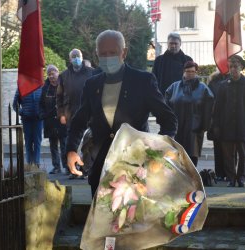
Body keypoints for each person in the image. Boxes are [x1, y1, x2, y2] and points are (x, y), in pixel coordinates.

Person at [66, 30, 178, 196]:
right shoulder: (92, 84)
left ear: (123, 52)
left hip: (135, 169)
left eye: (112, 52)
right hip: (101, 168)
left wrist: (158, 152)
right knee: (101, 218)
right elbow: (78, 121)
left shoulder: (143, 81)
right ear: (97, 54)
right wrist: (71, 150)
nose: (107, 57)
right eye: (102, 53)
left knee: (132, 220)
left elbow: (168, 119)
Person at [212, 55, 245, 187]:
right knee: (228, 155)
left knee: (243, 155)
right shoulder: (223, 86)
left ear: (241, 67)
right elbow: (218, 108)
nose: (233, 69)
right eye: (231, 66)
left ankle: (241, 178)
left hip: (243, 126)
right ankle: (231, 178)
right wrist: (216, 125)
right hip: (227, 126)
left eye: (236, 66)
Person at [165, 61, 214, 166]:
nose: (190, 74)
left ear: (196, 72)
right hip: (177, 127)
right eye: (188, 71)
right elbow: (166, 106)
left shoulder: (203, 88)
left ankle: (192, 179)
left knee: (192, 155)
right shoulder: (174, 87)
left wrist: (204, 126)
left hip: (194, 128)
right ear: (183, 72)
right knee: (175, 155)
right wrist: (168, 123)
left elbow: (208, 108)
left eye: (192, 71)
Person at [56, 48, 94, 178]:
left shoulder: (92, 73)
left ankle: (85, 169)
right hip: (70, 114)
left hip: (89, 114)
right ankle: (73, 170)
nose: (76, 58)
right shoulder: (64, 76)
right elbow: (59, 97)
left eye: (78, 56)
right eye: (74, 56)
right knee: (72, 144)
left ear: (82, 57)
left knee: (88, 144)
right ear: (70, 59)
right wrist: (61, 114)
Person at [39, 65, 67, 174]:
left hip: (62, 120)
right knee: (53, 145)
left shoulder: (64, 85)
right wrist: (42, 114)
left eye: (53, 73)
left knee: (64, 144)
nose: (51, 76)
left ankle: (67, 166)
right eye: (49, 74)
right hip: (49, 121)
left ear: (57, 72)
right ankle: (56, 166)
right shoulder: (45, 88)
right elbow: (41, 104)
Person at [207, 70, 229, 181]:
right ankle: (220, 173)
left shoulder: (233, 79)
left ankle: (230, 173)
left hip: (229, 117)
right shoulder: (213, 82)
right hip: (217, 117)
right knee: (218, 147)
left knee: (230, 148)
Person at [13, 86, 43, 167]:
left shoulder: (41, 87)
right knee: (28, 142)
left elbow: (45, 102)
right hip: (26, 119)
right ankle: (29, 163)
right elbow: (15, 104)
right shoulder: (21, 87)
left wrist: (42, 113)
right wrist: (21, 112)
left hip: (38, 119)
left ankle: (36, 163)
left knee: (37, 141)